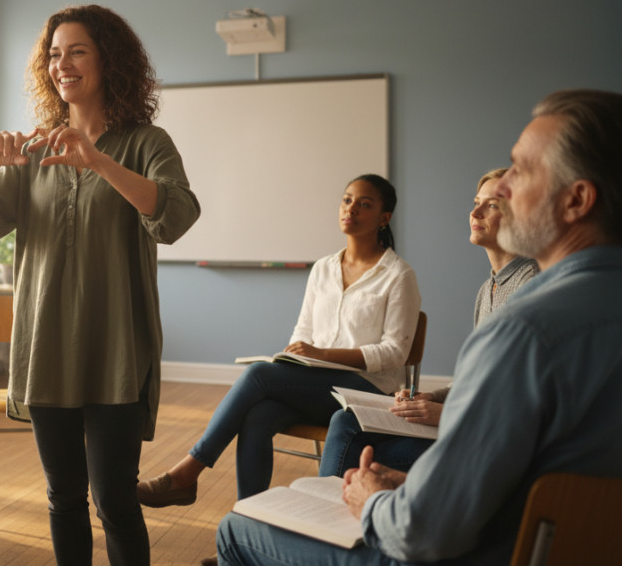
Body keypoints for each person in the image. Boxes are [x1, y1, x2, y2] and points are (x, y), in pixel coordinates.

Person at [216, 88, 622, 564]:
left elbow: (423, 532)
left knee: (236, 529)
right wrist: (412, 486)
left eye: (521, 170)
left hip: (472, 551)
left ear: (577, 200)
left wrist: (372, 501)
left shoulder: (523, 332)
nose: (503, 191)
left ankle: (197, 469)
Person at [0, 4, 200, 565]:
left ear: (109, 60)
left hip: (116, 349)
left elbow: (177, 216)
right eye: (54, 54)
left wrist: (99, 163)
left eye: (77, 51)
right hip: (45, 349)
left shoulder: (146, 142)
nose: (63, 64)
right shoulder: (35, 150)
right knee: (63, 497)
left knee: (114, 498)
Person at [139, 175, 422, 505]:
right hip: (320, 387)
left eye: (364, 204)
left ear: (384, 218)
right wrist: (300, 356)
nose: (351, 209)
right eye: (347, 200)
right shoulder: (323, 269)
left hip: (369, 393)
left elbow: (395, 352)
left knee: (258, 376)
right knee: (258, 416)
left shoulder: (399, 275)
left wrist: (323, 355)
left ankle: (188, 472)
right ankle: (249, 526)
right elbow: (303, 331)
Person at [318, 168, 538, 477]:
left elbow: (517, 396)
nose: (474, 212)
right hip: (464, 419)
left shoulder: (532, 286)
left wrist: (446, 413)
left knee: (365, 449)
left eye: (492, 205)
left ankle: (329, 515)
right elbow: (475, 378)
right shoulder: (488, 289)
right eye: (476, 202)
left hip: (485, 437)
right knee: (347, 420)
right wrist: (431, 397)